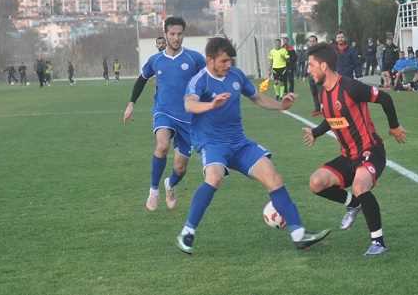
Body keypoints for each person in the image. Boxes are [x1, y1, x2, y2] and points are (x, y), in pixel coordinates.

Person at [175, 37, 330, 254]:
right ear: (210, 59)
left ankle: (299, 235)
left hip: (239, 143)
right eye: (224, 61)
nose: (228, 65)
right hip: (213, 144)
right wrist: (211, 104)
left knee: (273, 177)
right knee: (214, 177)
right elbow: (189, 104)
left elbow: (256, 97)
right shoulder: (200, 80)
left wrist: (281, 105)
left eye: (230, 61)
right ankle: (187, 233)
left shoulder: (236, 75)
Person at [302, 42, 406, 256]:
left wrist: (394, 127)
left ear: (324, 66)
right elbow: (333, 119)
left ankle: (378, 242)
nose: (308, 69)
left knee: (360, 185)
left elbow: (385, 98)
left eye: (311, 65)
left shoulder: (350, 87)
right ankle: (353, 204)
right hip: (347, 157)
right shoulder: (323, 93)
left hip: (371, 151)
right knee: (316, 183)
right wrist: (315, 132)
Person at [123, 17, 206, 211]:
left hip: (188, 118)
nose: (176, 38)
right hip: (163, 111)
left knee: (180, 168)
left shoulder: (195, 58)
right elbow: (141, 80)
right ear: (165, 34)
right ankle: (153, 191)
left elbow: (207, 80)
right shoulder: (156, 60)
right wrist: (130, 104)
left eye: (179, 34)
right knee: (161, 146)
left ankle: (170, 184)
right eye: (172, 34)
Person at [305, 35, 321, 116]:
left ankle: (324, 108)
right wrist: (305, 73)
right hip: (310, 74)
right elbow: (307, 62)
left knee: (320, 92)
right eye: (310, 41)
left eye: (313, 41)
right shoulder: (308, 52)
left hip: (318, 74)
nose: (311, 43)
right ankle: (317, 109)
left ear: (316, 42)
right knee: (314, 92)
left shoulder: (320, 51)